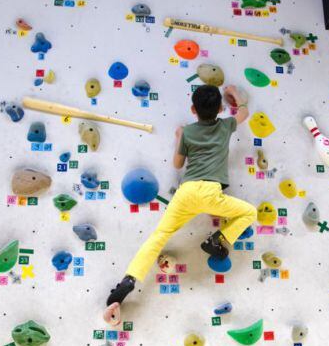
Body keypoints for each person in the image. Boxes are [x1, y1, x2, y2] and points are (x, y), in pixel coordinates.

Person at [103, 84, 257, 324]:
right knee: (249, 212)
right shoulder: (226, 125)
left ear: (192, 109)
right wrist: (236, 96)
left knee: (159, 236)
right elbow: (244, 113)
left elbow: (177, 164)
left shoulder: (187, 132)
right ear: (220, 108)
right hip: (211, 192)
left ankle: (129, 280)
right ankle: (217, 240)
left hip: (186, 192)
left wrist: (179, 138)